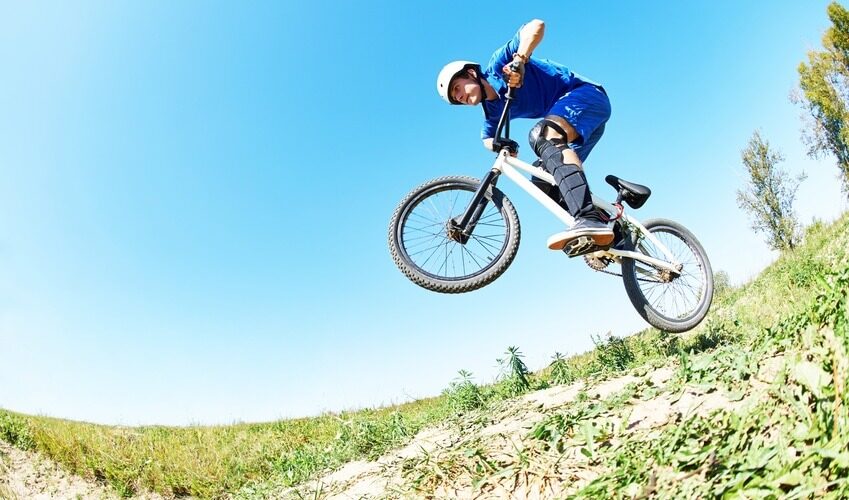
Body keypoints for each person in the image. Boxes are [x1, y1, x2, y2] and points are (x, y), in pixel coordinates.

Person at [436, 19, 614, 254]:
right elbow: (486, 138)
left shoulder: (500, 64)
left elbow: (536, 26)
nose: (459, 97)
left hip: (584, 96)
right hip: (577, 121)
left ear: (471, 73)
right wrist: (500, 145)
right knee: (542, 180)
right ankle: (611, 230)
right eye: (455, 98)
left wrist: (520, 60)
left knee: (543, 135)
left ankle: (587, 217)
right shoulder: (492, 113)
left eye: (458, 88)